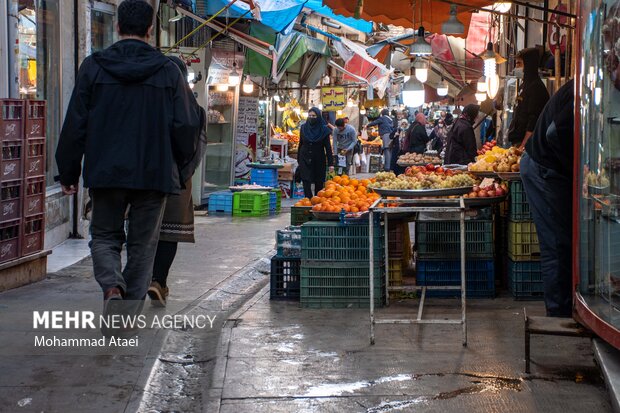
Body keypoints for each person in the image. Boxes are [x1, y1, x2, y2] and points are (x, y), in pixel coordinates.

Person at [55, 0, 200, 320]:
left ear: (118, 27)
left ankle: (111, 288)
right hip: (154, 173)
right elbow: (187, 126)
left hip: (105, 172)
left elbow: (75, 123)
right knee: (143, 246)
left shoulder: (93, 67)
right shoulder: (167, 71)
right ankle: (126, 316)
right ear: (150, 30)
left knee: (105, 236)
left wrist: (68, 171)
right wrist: (176, 163)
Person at [148, 56, 207, 307]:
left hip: (147, 178)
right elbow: (198, 149)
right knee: (169, 232)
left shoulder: (149, 104)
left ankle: (141, 281)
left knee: (144, 232)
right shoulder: (195, 109)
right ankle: (158, 281)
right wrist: (184, 174)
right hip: (178, 180)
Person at [521, 79, 574, 318]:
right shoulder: (583, 88)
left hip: (548, 167)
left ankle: (565, 304)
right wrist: (575, 172)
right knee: (557, 243)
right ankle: (558, 312)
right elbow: (556, 133)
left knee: (563, 240)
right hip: (543, 168)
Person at [507, 48, 550, 149]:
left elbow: (534, 120)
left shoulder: (536, 88)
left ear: (529, 65)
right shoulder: (524, 85)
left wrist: (523, 146)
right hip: (517, 142)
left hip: (527, 145)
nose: (516, 67)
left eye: (519, 64)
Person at [297, 107, 334, 198]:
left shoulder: (324, 131)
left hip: (319, 159)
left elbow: (328, 148)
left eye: (314, 116)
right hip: (304, 158)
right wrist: (298, 159)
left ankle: (317, 201)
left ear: (318, 117)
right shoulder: (304, 128)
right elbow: (301, 143)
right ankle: (308, 199)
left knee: (319, 181)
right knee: (306, 180)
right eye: (309, 115)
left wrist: (331, 164)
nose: (311, 117)